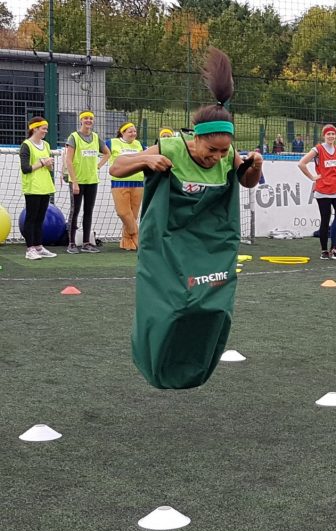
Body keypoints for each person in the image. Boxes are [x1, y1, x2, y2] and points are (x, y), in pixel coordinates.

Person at [109, 47, 264, 390]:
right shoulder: (172, 148)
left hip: (209, 243)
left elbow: (247, 181)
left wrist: (254, 167)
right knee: (172, 306)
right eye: (212, 151)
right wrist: (145, 162)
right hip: (167, 242)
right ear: (195, 139)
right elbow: (115, 167)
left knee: (210, 308)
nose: (218, 157)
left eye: (224, 151)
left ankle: (192, 367)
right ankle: (156, 362)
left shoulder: (227, 156)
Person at [297, 124, 336, 260]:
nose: (331, 136)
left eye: (333, 134)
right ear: (324, 136)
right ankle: (324, 250)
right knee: (325, 220)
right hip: (323, 190)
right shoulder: (318, 149)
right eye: (328, 134)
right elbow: (301, 163)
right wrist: (312, 177)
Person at [64, 110, 109, 253]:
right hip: (77, 181)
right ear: (81, 120)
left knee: (88, 211)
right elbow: (68, 161)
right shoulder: (74, 137)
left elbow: (108, 153)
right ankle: (71, 243)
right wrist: (74, 182)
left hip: (92, 180)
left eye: (91, 118)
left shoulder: (96, 137)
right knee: (75, 211)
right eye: (86, 118)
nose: (88, 120)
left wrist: (98, 166)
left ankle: (86, 243)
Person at [19, 116, 57, 260]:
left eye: (46, 129)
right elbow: (25, 168)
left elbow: (49, 168)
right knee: (31, 218)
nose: (45, 131)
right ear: (34, 129)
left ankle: (39, 247)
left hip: (45, 186)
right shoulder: (26, 145)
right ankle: (30, 249)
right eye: (43, 129)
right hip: (32, 187)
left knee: (40, 218)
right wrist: (42, 163)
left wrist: (49, 164)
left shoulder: (46, 145)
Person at [106, 122, 144, 251]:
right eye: (130, 131)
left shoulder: (139, 144)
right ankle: (136, 235)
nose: (133, 134)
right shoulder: (111, 143)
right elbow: (98, 149)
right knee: (122, 212)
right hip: (119, 182)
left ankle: (127, 242)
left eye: (135, 131)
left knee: (133, 215)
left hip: (138, 182)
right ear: (122, 132)